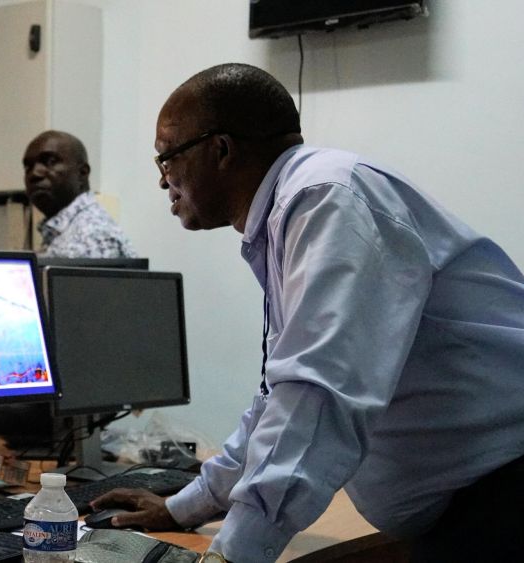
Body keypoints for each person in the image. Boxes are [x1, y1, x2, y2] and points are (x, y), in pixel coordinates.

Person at [90, 63, 524, 563]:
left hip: (504, 497)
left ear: (221, 150)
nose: (164, 181)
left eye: (166, 159)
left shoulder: (325, 200)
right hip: (475, 507)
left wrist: (234, 553)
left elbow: (316, 395)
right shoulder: (293, 211)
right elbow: (280, 396)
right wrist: (185, 508)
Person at [22, 130, 136, 258]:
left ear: (82, 173)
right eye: (28, 167)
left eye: (50, 161)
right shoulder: (67, 230)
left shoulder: (92, 236)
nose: (34, 174)